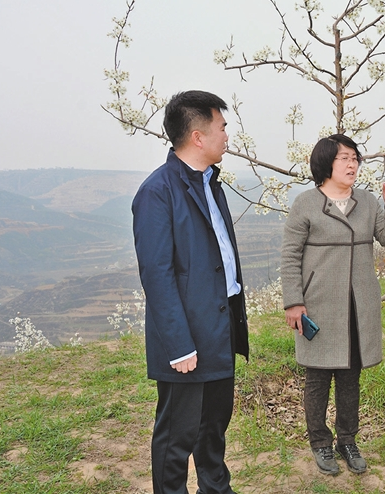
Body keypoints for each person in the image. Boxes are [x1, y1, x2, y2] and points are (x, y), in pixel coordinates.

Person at [132, 90, 248, 494]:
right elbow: (157, 275)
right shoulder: (158, 191)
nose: (227, 135)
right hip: (188, 335)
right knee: (177, 434)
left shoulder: (210, 184)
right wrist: (179, 345)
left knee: (214, 426)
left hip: (220, 324)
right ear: (198, 136)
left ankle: (216, 489)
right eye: (222, 127)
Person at [281, 134, 385, 476]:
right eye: (344, 158)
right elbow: (290, 256)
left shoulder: (366, 201)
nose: (352, 165)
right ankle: (320, 442)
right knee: (317, 379)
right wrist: (294, 302)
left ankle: (347, 440)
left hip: (357, 306)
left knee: (351, 379)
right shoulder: (306, 204)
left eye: (355, 158)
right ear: (326, 163)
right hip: (318, 306)